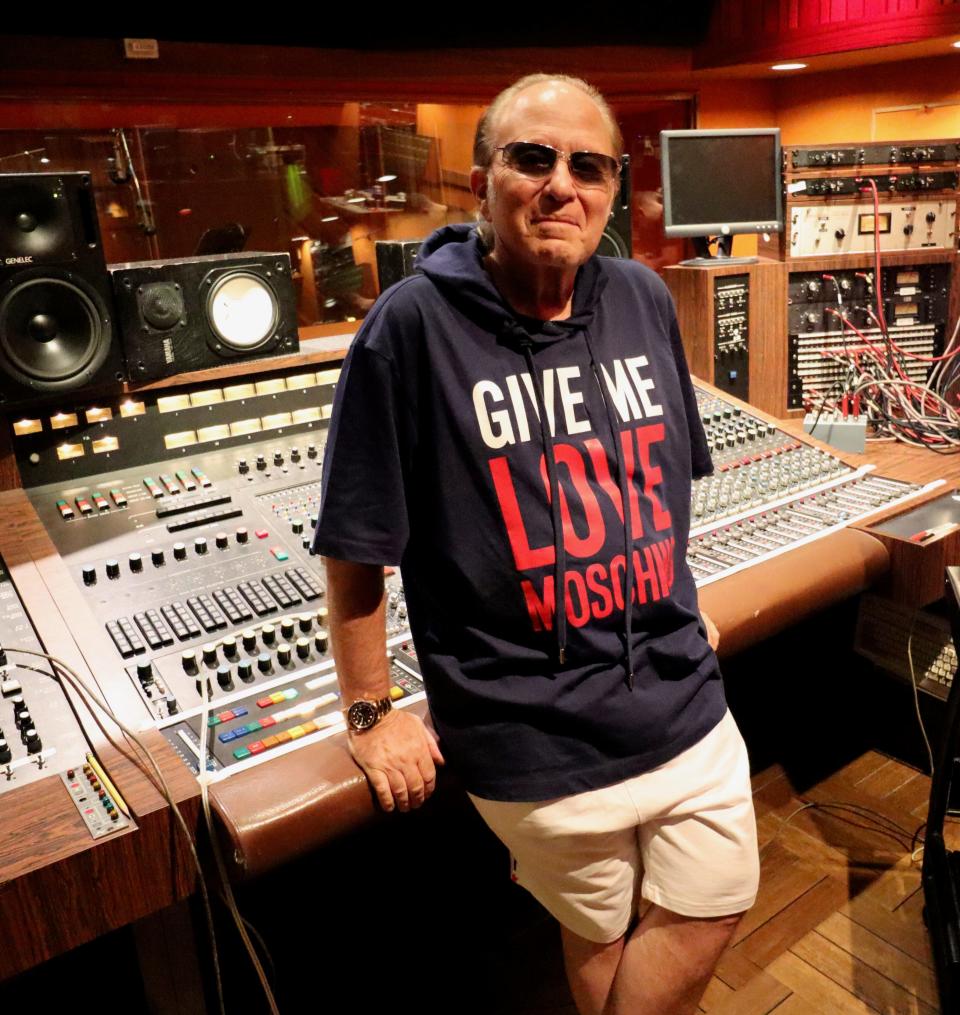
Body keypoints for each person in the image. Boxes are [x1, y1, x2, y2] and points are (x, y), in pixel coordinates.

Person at [313, 73, 759, 1015]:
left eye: (588, 165)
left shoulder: (640, 296)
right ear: (483, 177)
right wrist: (368, 710)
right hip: (527, 723)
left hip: (676, 691)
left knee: (715, 902)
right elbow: (358, 540)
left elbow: (654, 483)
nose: (563, 185)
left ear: (613, 186)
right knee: (596, 924)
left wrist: (672, 601)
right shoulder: (411, 326)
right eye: (533, 157)